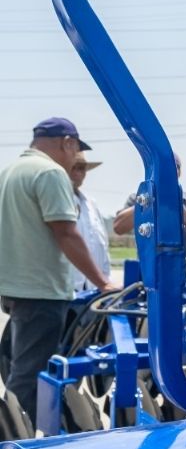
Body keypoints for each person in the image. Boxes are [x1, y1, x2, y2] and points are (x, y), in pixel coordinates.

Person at [0, 118, 118, 425]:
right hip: (42, 291)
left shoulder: (10, 172)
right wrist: (103, 283)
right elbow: (66, 233)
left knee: (21, 367)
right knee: (28, 377)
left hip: (16, 289)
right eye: (75, 149)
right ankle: (15, 437)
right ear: (67, 142)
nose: (74, 158)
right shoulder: (50, 172)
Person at [113, 153, 186, 271]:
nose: (166, 173)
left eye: (173, 168)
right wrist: (148, 202)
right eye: (161, 168)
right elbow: (118, 228)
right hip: (148, 276)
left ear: (179, 172)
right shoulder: (138, 199)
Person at [65, 151, 111, 291]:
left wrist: (105, 279)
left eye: (82, 168)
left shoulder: (91, 203)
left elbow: (102, 244)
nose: (78, 173)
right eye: (74, 167)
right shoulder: (58, 199)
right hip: (69, 286)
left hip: (94, 287)